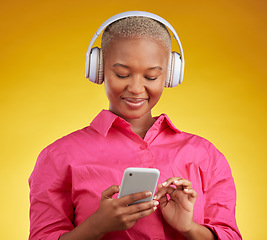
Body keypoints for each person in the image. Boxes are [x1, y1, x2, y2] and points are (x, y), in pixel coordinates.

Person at [29, 11, 242, 240]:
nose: (136, 88)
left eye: (151, 77)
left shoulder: (205, 155)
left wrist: (189, 228)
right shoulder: (58, 156)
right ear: (98, 69)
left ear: (170, 75)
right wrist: (96, 226)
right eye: (122, 74)